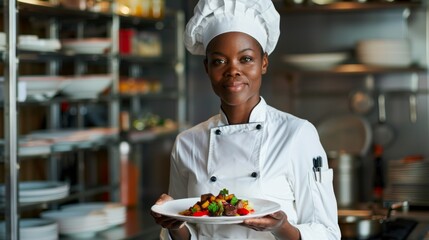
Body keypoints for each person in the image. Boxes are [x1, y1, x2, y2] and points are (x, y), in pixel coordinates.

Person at [151, 0, 341, 239]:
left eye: (246, 59)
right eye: (219, 61)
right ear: (206, 68)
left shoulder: (297, 134)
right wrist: (174, 225)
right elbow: (185, 232)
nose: (233, 70)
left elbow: (328, 233)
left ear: (264, 63)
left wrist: (281, 227)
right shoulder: (187, 143)